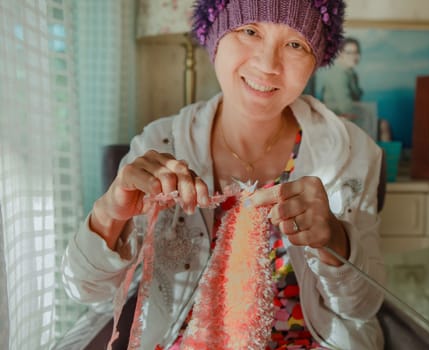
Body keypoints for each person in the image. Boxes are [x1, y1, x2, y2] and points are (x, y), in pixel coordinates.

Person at [61, 0, 385, 349]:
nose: (267, 65)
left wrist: (334, 240)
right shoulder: (159, 143)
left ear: (316, 60)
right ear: (214, 37)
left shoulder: (352, 153)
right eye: (249, 31)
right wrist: (110, 213)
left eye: (295, 44)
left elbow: (360, 307)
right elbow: (86, 291)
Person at [314, 36, 363, 117]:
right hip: (336, 120)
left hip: (345, 117)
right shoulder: (338, 73)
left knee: (383, 124)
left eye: (356, 52)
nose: (354, 56)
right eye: (349, 53)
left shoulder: (351, 73)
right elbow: (346, 108)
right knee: (383, 125)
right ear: (340, 54)